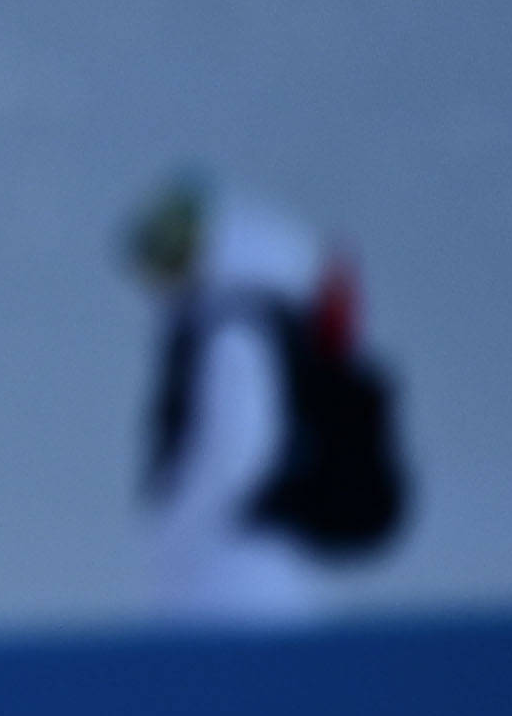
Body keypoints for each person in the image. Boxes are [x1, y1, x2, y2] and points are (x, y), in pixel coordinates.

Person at [121, 172, 404, 623]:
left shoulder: (233, 327)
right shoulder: (262, 317)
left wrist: (176, 533)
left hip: (233, 572)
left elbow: (237, 446)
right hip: (255, 563)